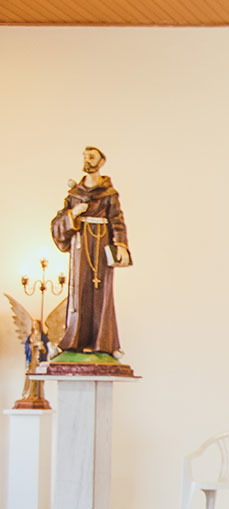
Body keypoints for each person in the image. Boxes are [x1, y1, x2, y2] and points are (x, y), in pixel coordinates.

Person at [50, 146, 131, 355]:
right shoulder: (75, 194)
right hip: (81, 246)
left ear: (101, 162)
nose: (87, 160)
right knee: (79, 291)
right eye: (85, 157)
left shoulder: (109, 194)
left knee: (103, 293)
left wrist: (121, 245)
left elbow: (117, 220)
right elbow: (58, 222)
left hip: (102, 246)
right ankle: (75, 341)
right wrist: (74, 213)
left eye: (92, 157)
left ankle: (104, 343)